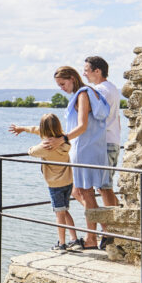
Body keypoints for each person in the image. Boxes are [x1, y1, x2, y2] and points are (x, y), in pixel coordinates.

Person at [43, 66, 110, 248]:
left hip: (84, 149)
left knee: (86, 193)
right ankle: (104, 230)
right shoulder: (86, 94)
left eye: (63, 84)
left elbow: (82, 126)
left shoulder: (82, 95)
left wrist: (61, 139)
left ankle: (93, 237)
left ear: (73, 78)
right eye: (59, 85)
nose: (62, 88)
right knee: (81, 192)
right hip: (91, 147)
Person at [8, 113, 82, 251]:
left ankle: (61, 244)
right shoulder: (64, 139)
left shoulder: (46, 147)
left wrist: (35, 145)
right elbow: (36, 129)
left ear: (44, 130)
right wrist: (22, 128)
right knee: (65, 211)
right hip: (68, 181)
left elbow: (32, 152)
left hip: (55, 185)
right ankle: (74, 239)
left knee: (59, 214)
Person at [83, 56, 121, 212]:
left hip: (103, 142)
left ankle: (112, 229)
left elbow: (95, 117)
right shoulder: (112, 88)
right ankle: (117, 221)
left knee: (104, 187)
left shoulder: (100, 90)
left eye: (86, 70)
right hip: (112, 140)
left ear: (97, 71)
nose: (84, 74)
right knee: (104, 187)